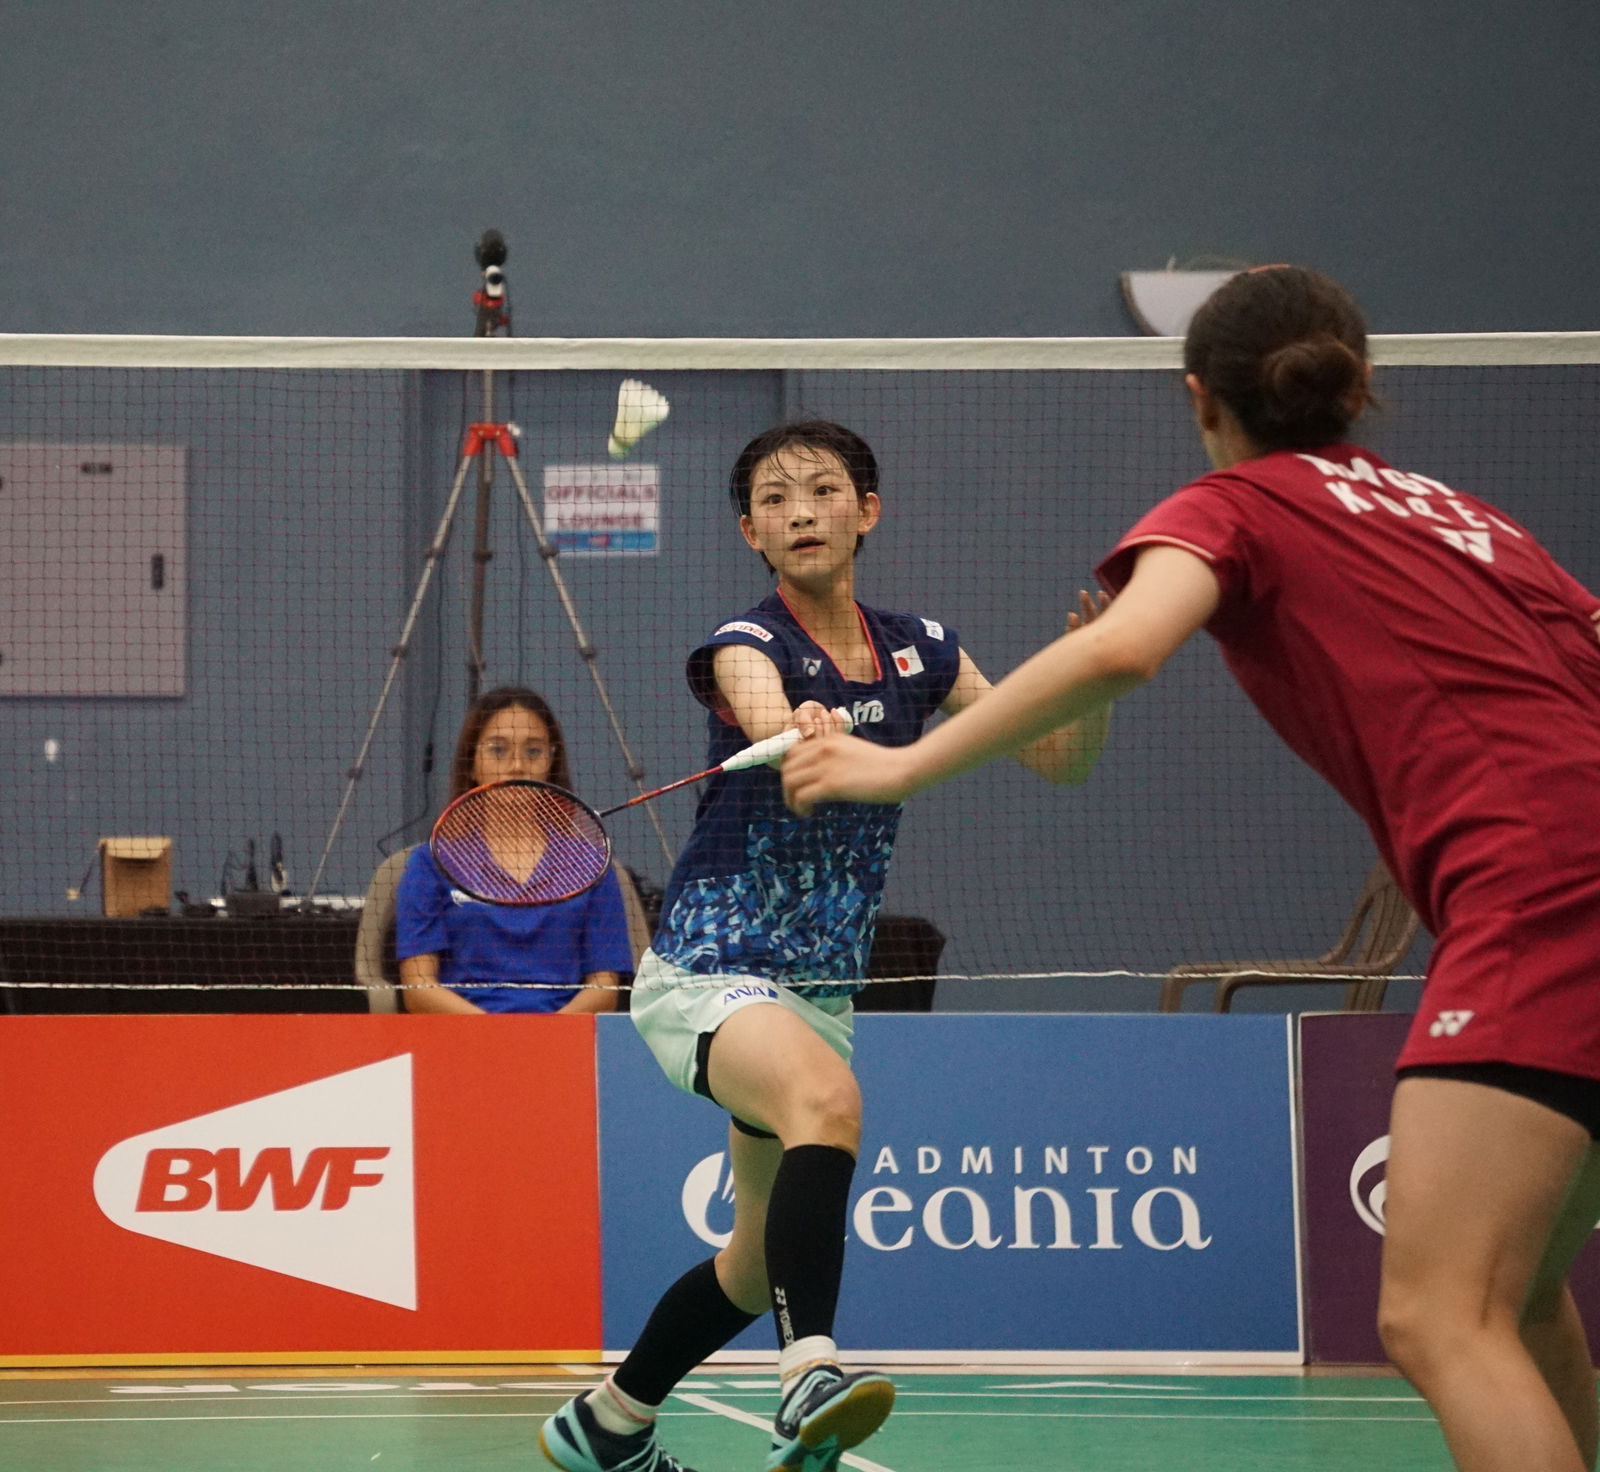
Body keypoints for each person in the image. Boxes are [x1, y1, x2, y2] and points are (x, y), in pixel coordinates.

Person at [782, 267, 1600, 1472]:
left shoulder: (1233, 505)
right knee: (1516, 1300)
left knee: (1440, 1314)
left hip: (1541, 887)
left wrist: (893, 764)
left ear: (1197, 396)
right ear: (1359, 383)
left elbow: (1123, 645)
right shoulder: (1464, 516)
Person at [539, 420, 1110, 1472]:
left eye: (823, 489)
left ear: (867, 511)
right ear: (750, 532)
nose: (800, 510)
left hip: (817, 990)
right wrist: (798, 721)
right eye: (774, 498)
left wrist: (1095, 677)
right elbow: (765, 703)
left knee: (754, 1262)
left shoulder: (923, 649)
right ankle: (808, 1373)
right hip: (712, 968)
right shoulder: (742, 643)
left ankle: (607, 1424)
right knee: (828, 1105)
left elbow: (1062, 756)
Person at [395, 685, 632, 1015]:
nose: (517, 765)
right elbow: (419, 988)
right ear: (472, 764)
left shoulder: (590, 865)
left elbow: (604, 988)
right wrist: (499, 1036)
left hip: (564, 1034)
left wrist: (548, 1034)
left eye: (533, 751)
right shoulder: (429, 863)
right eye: (498, 750)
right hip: (464, 1034)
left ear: (551, 761)